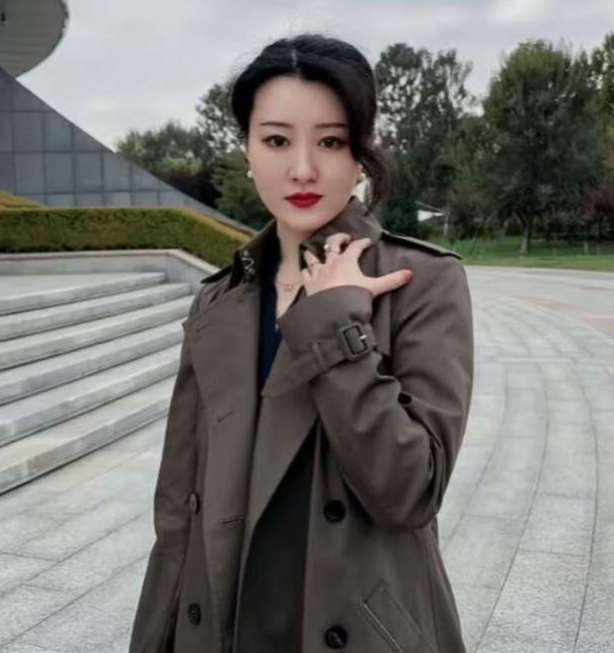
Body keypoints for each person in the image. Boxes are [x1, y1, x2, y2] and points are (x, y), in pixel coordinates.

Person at [129, 33, 474, 653]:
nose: (303, 169)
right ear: (247, 149)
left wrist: (338, 325)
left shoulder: (419, 281)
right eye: (277, 140)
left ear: (361, 155)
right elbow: (178, 509)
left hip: (352, 627)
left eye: (331, 141)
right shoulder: (220, 299)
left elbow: (411, 492)